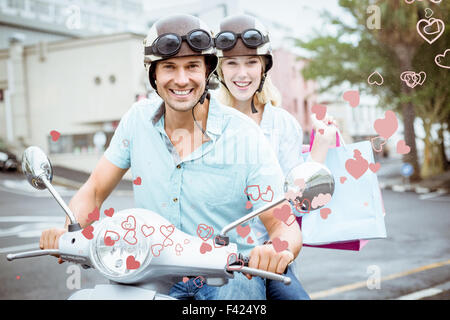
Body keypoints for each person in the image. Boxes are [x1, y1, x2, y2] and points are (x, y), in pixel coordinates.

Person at [39, 14, 302, 300]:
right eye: (169, 67)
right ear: (154, 75)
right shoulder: (136, 121)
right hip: (150, 269)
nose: (181, 79)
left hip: (228, 274)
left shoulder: (245, 134)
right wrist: (67, 231)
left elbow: (282, 222)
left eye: (192, 66)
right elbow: (95, 189)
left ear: (207, 71)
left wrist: (278, 249)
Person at [214, 14, 338, 299]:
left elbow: (294, 199)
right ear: (220, 70)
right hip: (214, 257)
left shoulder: (284, 125)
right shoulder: (206, 121)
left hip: (266, 254)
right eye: (232, 63)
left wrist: (320, 148)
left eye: (251, 62)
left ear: (264, 67)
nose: (241, 73)